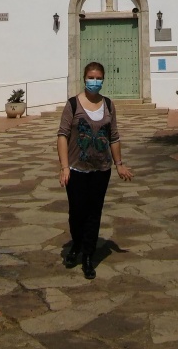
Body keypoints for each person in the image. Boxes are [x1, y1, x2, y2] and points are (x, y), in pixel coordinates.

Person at [57, 61, 133, 279]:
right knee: (77, 212)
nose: (95, 81)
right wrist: (64, 167)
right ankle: (77, 243)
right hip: (76, 169)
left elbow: (114, 136)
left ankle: (88, 256)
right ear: (84, 78)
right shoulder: (72, 105)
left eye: (98, 77)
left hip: (101, 169)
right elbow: (62, 135)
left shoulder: (108, 105)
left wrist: (119, 164)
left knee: (94, 212)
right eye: (91, 77)